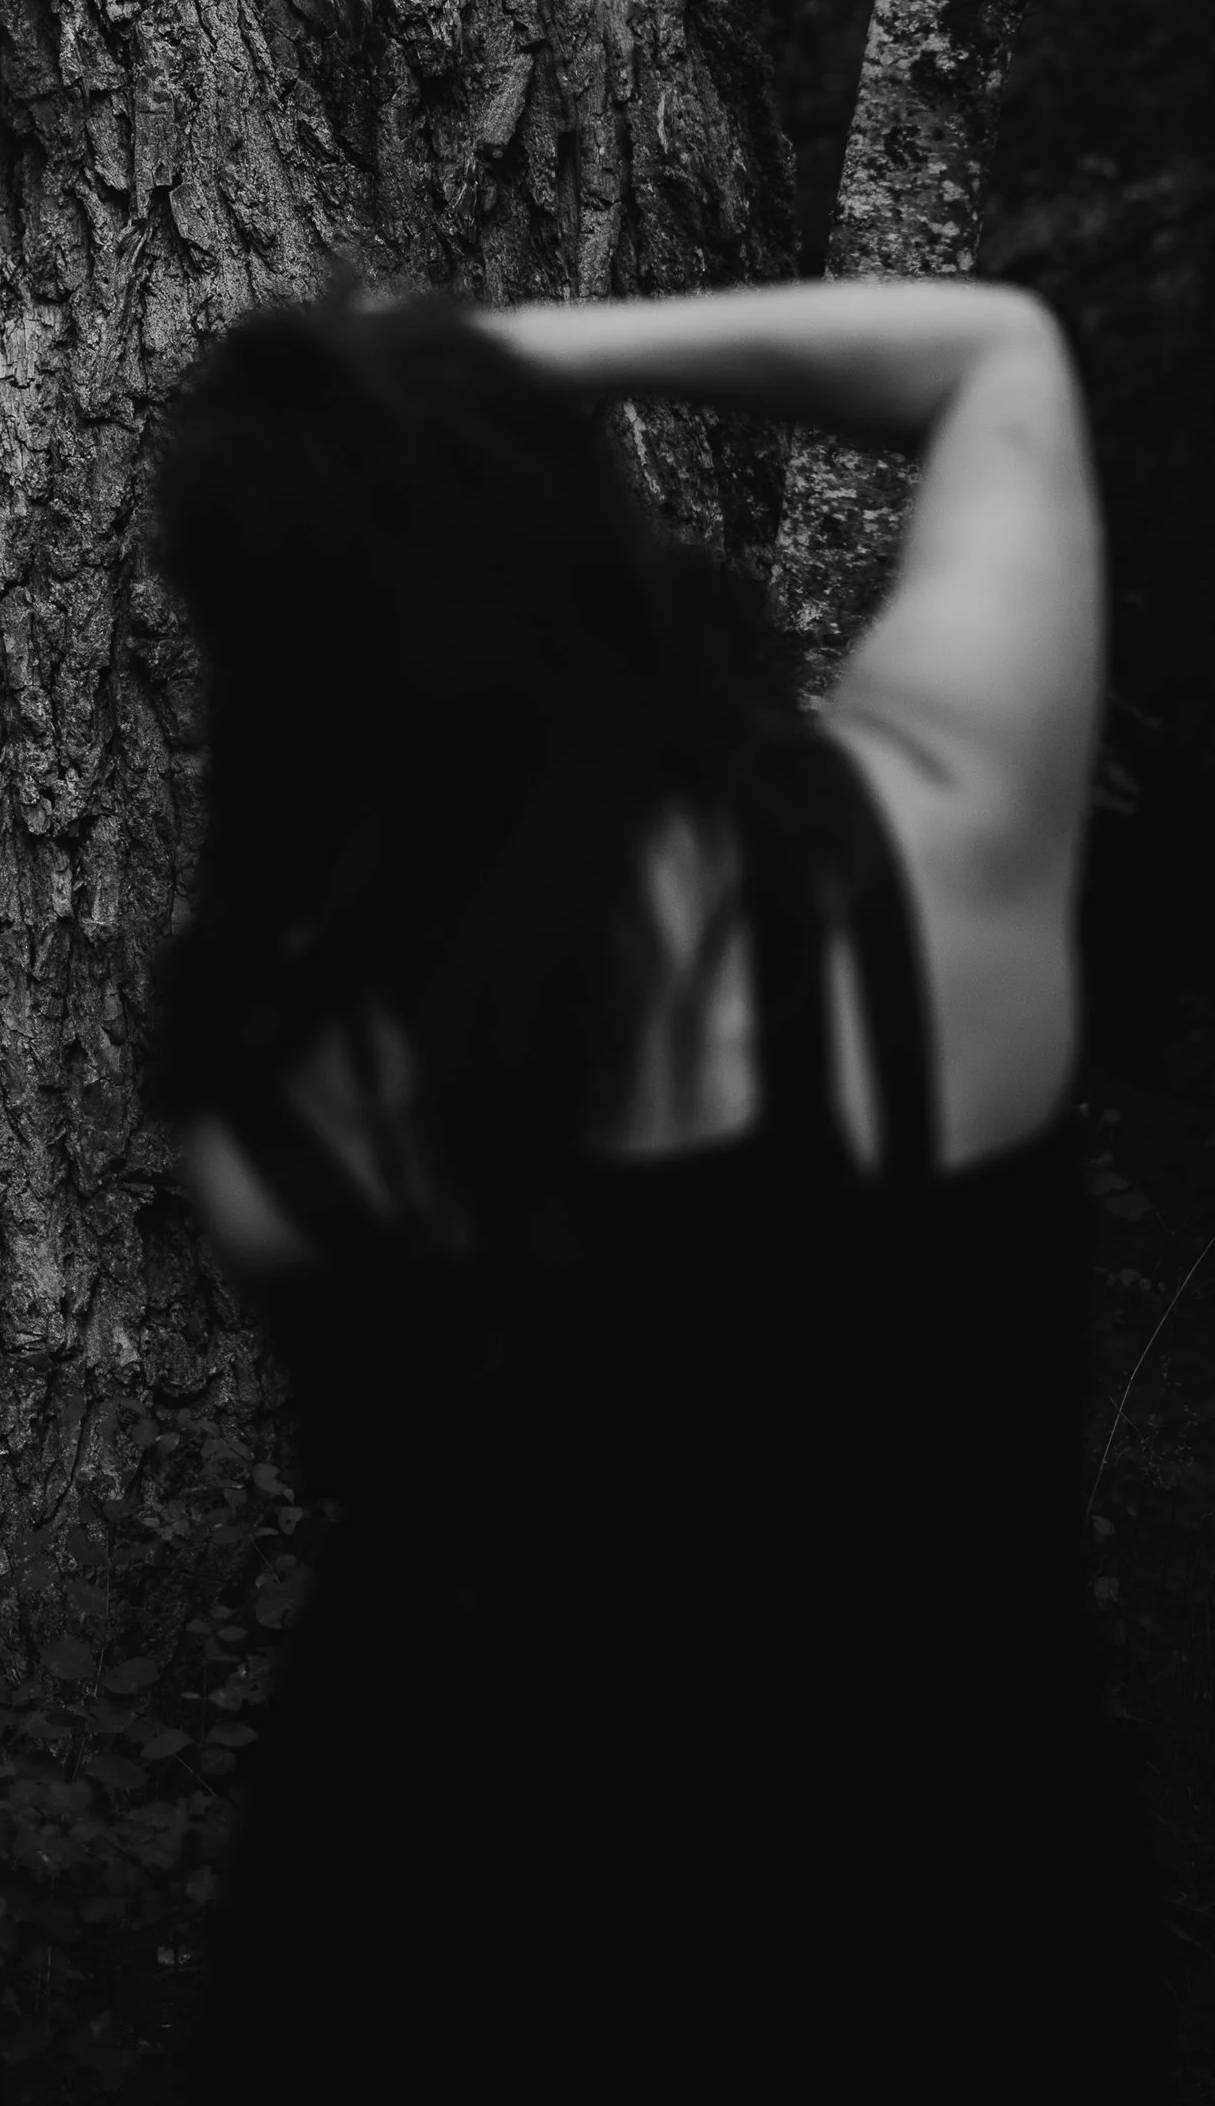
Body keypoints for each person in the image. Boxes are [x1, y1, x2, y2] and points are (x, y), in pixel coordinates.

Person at [152, 278, 1167, 2101]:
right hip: (946, 1920)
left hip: (435, 1947)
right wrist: (493, 362)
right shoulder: (929, 860)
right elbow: (994, 354)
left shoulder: (280, 1106)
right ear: (586, 551)